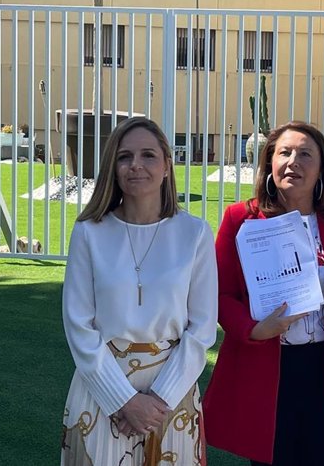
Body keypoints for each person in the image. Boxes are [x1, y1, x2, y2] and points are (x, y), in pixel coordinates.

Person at [203, 121, 324, 466]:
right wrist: (254, 330)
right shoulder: (241, 219)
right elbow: (220, 293)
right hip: (268, 367)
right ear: (269, 163)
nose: (293, 162)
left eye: (306, 154)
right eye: (284, 152)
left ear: (321, 169)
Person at [60, 117, 218, 466]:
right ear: (112, 168)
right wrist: (124, 401)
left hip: (171, 394)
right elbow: (78, 325)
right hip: (101, 389)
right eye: (124, 157)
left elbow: (202, 329)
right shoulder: (90, 232)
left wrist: (157, 401)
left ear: (166, 165)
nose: (135, 165)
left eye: (148, 155)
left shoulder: (195, 234)